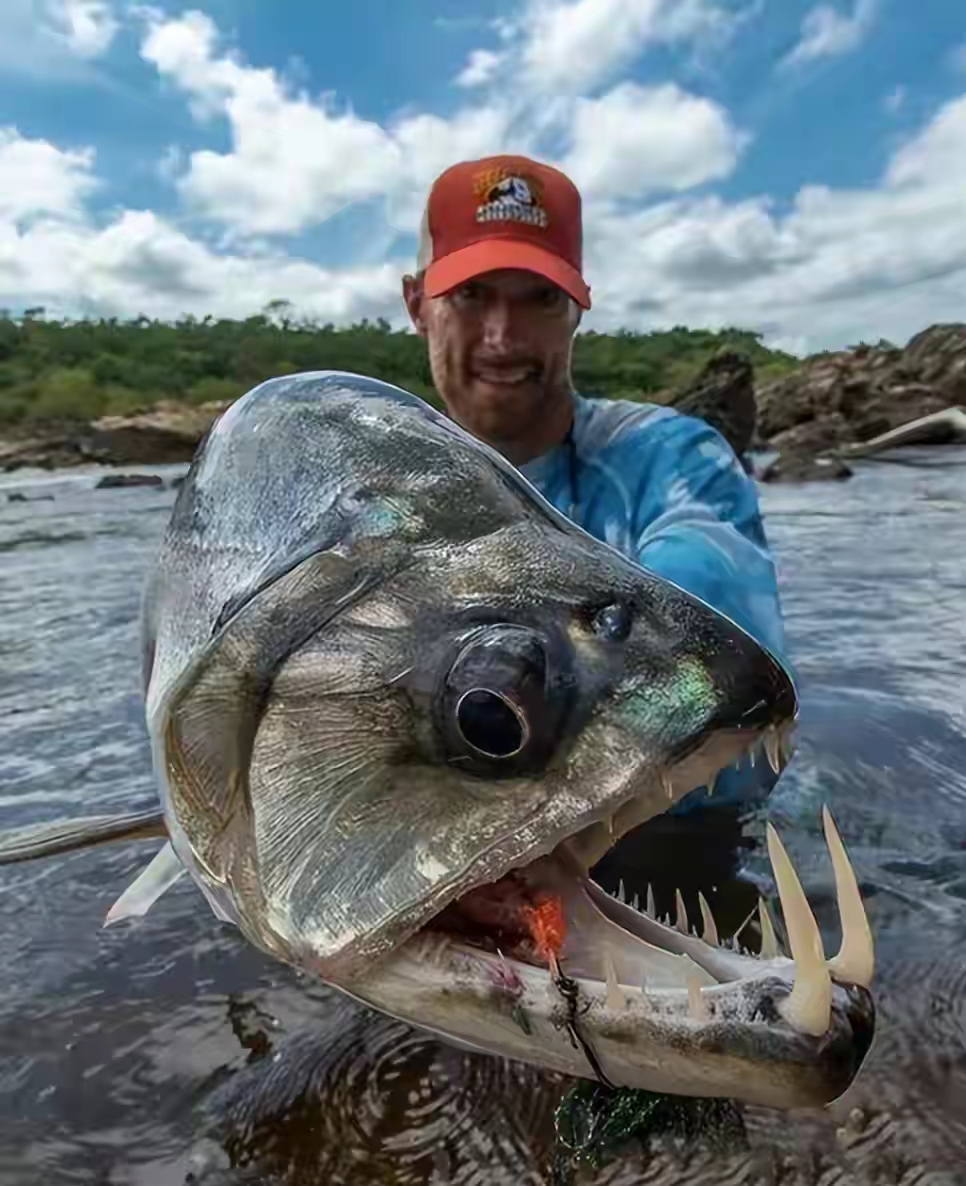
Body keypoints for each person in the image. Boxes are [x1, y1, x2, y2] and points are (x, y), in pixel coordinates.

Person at [402, 154, 791, 812]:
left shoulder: (672, 459)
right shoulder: (380, 499)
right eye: (472, 296)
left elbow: (710, 615)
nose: (502, 337)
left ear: (577, 309)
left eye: (539, 299)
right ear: (418, 305)